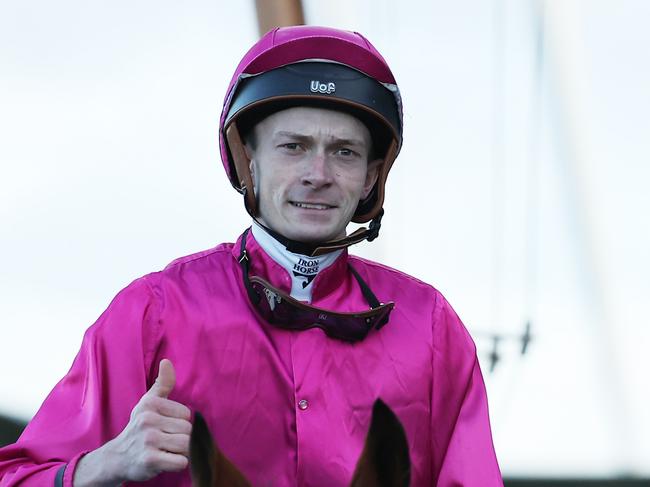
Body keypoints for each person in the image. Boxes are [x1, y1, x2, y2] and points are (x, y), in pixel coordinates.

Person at [0, 26, 503, 486]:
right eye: (293, 147)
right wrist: (103, 463)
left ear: (371, 176)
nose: (318, 173)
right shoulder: (152, 312)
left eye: (344, 152)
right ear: (250, 160)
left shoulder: (431, 329)